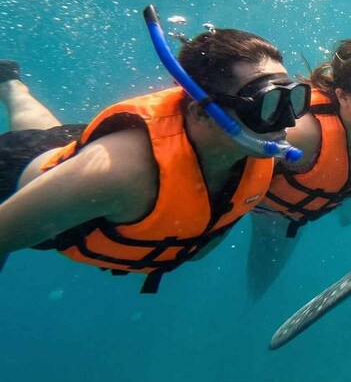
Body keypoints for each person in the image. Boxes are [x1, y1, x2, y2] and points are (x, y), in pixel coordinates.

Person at [0, 17, 311, 293]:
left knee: (47, 133)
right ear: (201, 113)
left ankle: (10, 85)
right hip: (13, 170)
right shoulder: (118, 174)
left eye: (293, 99)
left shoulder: (256, 150)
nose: (288, 121)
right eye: (267, 104)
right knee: (38, 143)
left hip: (72, 149)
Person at [246, 36, 351, 299]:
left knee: (260, 285)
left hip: (298, 214)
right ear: (343, 96)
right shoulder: (302, 134)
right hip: (264, 211)